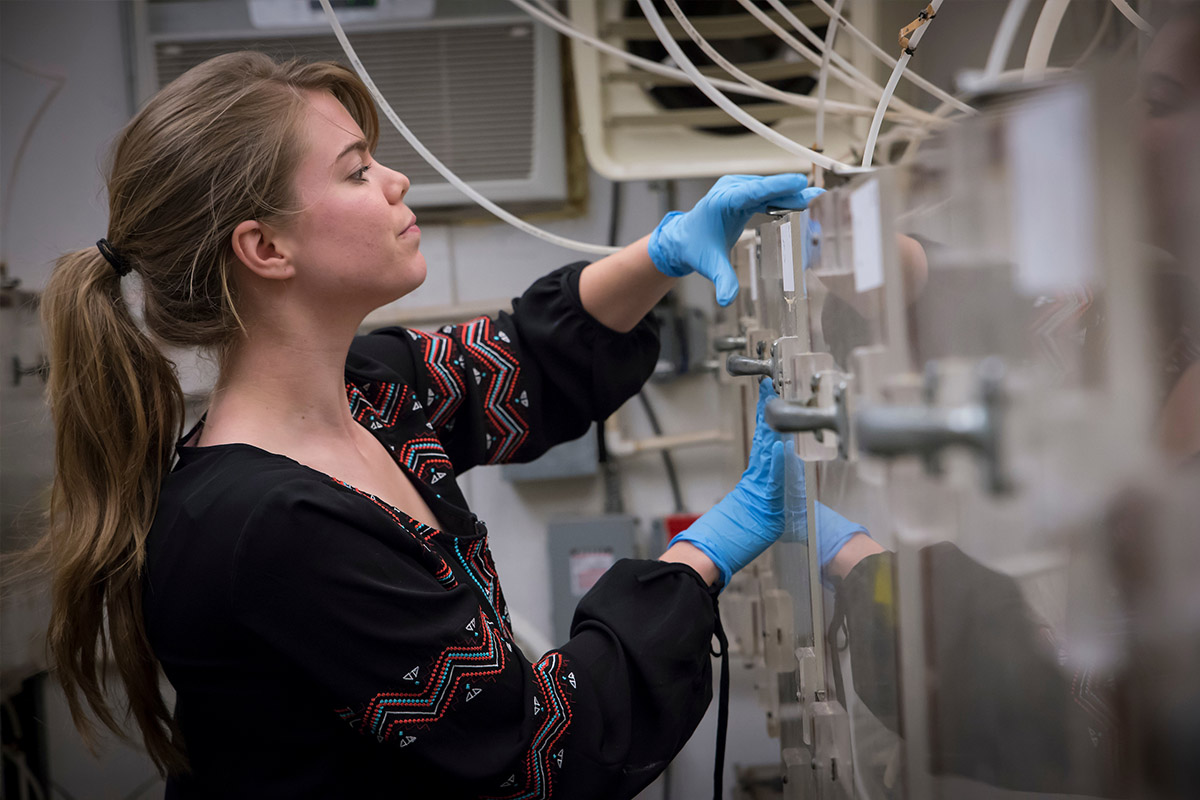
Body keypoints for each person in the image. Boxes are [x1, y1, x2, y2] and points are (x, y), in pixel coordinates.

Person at [35, 51, 829, 799]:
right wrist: (708, 549)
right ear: (265, 247)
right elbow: (536, 753)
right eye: (357, 171)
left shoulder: (367, 394)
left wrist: (665, 252)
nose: (396, 181)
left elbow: (524, 362)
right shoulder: (266, 526)